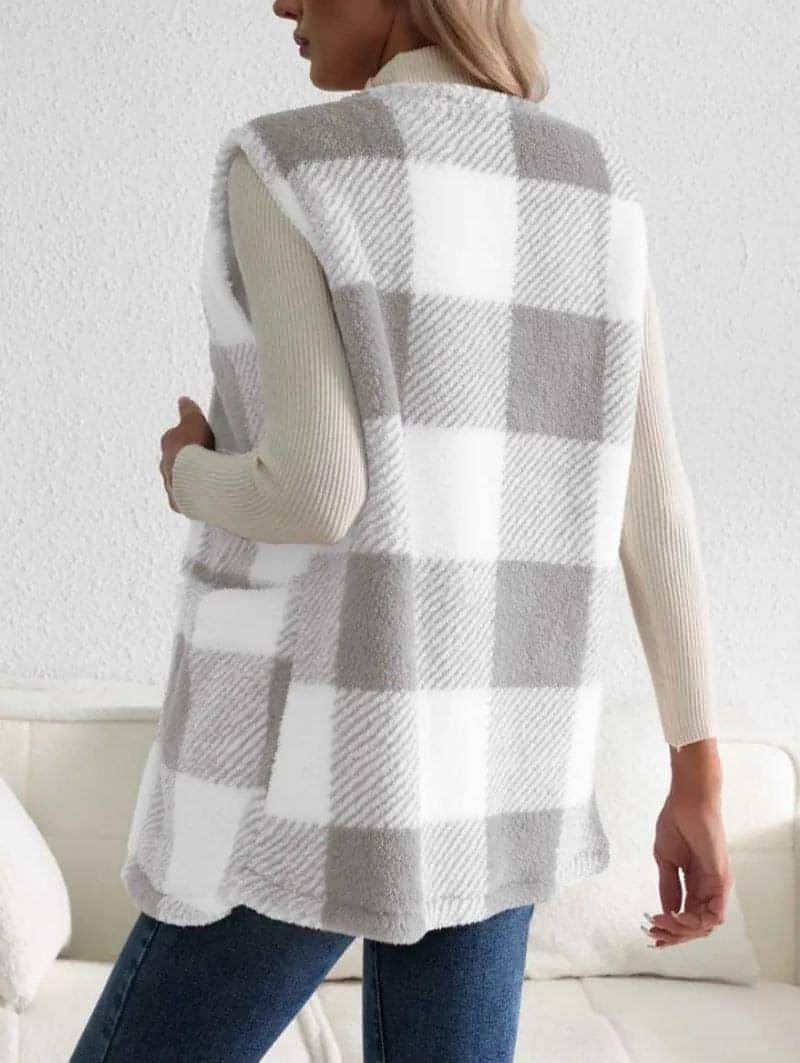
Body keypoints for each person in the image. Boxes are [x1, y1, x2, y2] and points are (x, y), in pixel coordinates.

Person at [71, 2, 732, 1060]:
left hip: (315, 757)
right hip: (497, 763)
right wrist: (696, 769)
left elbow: (314, 491)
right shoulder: (591, 186)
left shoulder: (291, 164)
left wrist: (186, 470)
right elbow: (653, 503)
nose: (282, 4)